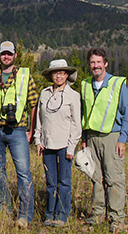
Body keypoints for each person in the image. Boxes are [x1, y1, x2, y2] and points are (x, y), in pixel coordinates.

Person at [0, 40, 39, 228]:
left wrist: (31, 130)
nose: (6, 56)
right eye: (3, 54)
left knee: (23, 173)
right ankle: (4, 207)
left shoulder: (25, 75)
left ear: (15, 55)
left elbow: (34, 104)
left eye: (9, 53)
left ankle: (25, 214)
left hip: (17, 130)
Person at [81, 48, 128, 233]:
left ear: (106, 63)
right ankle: (97, 214)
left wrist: (123, 139)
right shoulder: (85, 84)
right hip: (92, 137)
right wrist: (85, 138)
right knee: (95, 178)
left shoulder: (117, 84)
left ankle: (116, 218)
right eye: (92, 62)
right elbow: (85, 114)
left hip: (112, 137)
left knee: (114, 178)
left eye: (98, 62)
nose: (95, 66)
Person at [34, 59, 82, 227]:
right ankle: (49, 213)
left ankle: (61, 214)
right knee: (50, 182)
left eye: (62, 72)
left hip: (64, 145)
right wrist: (38, 139)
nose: (58, 76)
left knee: (64, 182)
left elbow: (76, 124)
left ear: (66, 75)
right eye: (55, 73)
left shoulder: (73, 96)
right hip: (47, 144)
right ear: (51, 75)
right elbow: (40, 119)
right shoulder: (44, 93)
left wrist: (71, 147)